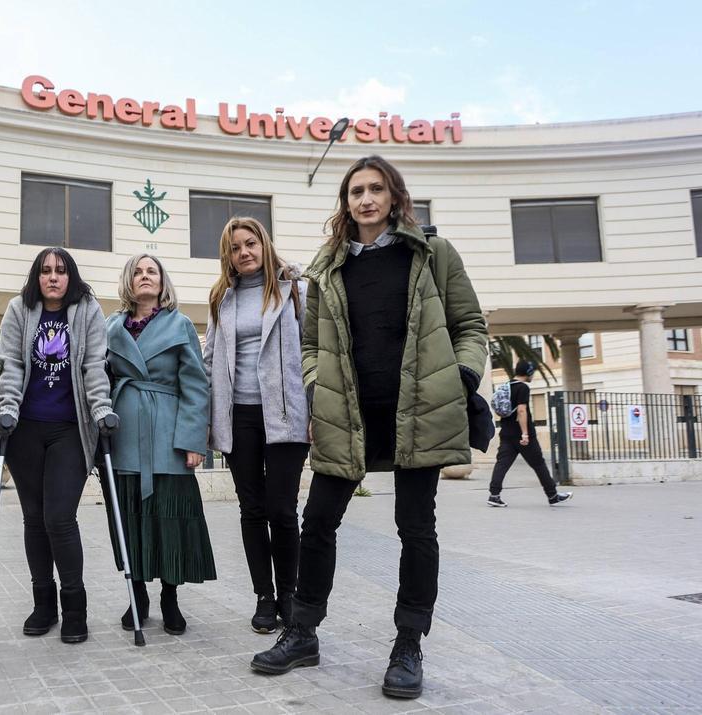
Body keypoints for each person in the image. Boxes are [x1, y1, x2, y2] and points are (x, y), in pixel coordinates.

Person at [251, 155, 489, 701]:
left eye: (375, 188)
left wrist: (463, 375)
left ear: (394, 196)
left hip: (419, 410)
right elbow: (310, 343)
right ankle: (304, 630)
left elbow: (470, 324)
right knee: (318, 522)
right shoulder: (328, 266)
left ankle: (408, 643)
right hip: (349, 415)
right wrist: (315, 387)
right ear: (345, 202)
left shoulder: (433, 254)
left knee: (416, 528)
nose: (365, 199)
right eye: (355, 190)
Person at [0, 247, 117, 644]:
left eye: (60, 271)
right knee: (33, 518)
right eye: (45, 271)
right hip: (26, 428)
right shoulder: (18, 310)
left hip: (69, 430)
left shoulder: (88, 311)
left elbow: (94, 365)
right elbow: (11, 364)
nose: (53, 277)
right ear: (36, 277)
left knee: (59, 518)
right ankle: (43, 604)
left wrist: (102, 409)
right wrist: (6, 407)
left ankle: (74, 605)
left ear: (71, 276)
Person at [202, 217, 311, 634]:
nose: (244, 252)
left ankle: (289, 594)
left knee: (283, 510)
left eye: (251, 244)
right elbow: (210, 360)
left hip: (284, 414)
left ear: (264, 245)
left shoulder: (294, 292)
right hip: (239, 417)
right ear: (227, 255)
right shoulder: (221, 298)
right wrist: (208, 424)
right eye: (235, 247)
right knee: (252, 510)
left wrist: (316, 413)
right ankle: (264, 597)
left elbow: (312, 352)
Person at [103, 254, 216, 636]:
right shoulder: (111, 326)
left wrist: (193, 440)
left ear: (162, 281)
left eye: (152, 271)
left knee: (170, 517)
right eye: (138, 271)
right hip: (123, 436)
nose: (145, 276)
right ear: (128, 281)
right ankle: (137, 594)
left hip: (168, 434)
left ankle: (170, 596)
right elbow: (98, 380)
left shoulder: (180, 324)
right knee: (128, 517)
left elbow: (196, 384)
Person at [488, 360, 573, 507]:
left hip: (506, 432)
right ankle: (552, 496)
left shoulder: (507, 386)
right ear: (528, 373)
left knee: (502, 464)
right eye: (532, 372)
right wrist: (525, 434)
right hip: (521, 435)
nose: (533, 375)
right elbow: (521, 410)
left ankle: (494, 495)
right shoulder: (522, 388)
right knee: (539, 464)